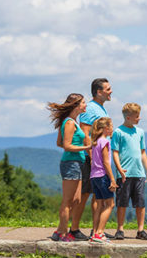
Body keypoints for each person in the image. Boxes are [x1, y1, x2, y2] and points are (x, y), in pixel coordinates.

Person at [69, 78, 113, 240]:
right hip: (92, 159)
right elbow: (85, 133)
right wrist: (93, 158)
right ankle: (74, 229)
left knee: (98, 196)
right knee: (86, 193)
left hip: (97, 159)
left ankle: (96, 230)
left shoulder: (100, 108)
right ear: (99, 92)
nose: (111, 92)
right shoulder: (91, 109)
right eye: (108, 89)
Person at [47, 93, 91, 242]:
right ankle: (63, 234)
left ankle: (59, 230)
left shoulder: (71, 121)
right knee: (68, 201)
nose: (86, 105)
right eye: (84, 103)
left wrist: (78, 147)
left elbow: (59, 143)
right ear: (76, 105)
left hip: (76, 163)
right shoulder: (70, 123)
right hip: (71, 164)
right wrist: (86, 147)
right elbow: (66, 145)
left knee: (77, 200)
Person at [112, 103, 147, 241]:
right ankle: (120, 229)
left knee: (140, 203)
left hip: (139, 173)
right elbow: (115, 153)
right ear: (129, 117)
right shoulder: (118, 132)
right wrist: (119, 169)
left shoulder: (140, 132)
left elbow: (143, 153)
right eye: (137, 116)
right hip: (124, 173)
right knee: (122, 202)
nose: (139, 118)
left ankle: (140, 230)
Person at [89, 117, 118, 243]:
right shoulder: (105, 142)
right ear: (106, 128)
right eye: (111, 126)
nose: (112, 129)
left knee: (99, 205)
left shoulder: (95, 142)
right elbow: (106, 162)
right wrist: (112, 179)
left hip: (94, 176)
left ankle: (94, 233)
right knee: (110, 204)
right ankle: (100, 233)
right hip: (102, 176)